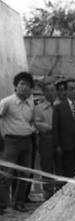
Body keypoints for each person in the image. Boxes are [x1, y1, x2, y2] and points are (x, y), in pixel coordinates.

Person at [0, 72, 36, 212]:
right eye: (22, 84)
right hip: (11, 142)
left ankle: (18, 202)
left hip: (27, 141)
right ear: (15, 86)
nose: (24, 88)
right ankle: (2, 204)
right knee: (6, 174)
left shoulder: (30, 104)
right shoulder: (7, 102)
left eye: (28, 85)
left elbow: (30, 121)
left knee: (24, 174)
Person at [33, 82, 58, 199]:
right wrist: (52, 128)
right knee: (46, 166)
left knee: (60, 166)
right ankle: (48, 193)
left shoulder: (61, 106)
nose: (50, 93)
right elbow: (38, 124)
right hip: (46, 140)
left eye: (52, 90)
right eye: (47, 90)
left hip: (60, 140)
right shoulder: (38, 108)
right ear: (43, 93)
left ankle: (59, 191)